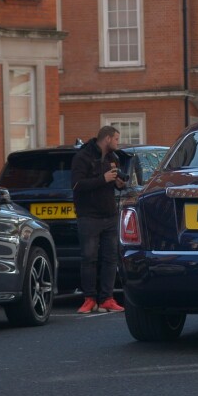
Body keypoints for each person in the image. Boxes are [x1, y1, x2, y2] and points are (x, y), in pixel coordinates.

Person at [71, 125, 127, 314]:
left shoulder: (113, 158)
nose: (118, 143)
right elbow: (77, 185)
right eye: (117, 139)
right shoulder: (83, 157)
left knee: (110, 258)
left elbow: (113, 183)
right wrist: (102, 179)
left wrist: (119, 184)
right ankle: (89, 299)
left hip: (110, 215)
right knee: (89, 258)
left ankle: (107, 298)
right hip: (89, 216)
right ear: (107, 138)